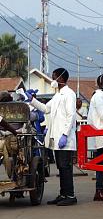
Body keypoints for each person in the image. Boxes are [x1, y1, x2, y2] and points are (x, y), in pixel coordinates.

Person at [24, 68, 78, 206]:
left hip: (64, 138)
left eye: (53, 77)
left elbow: (71, 115)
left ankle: (70, 195)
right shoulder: (58, 95)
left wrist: (65, 135)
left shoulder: (69, 94)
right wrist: (32, 100)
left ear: (60, 78)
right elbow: (46, 109)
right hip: (56, 137)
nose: (52, 80)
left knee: (65, 167)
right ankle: (63, 194)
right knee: (60, 166)